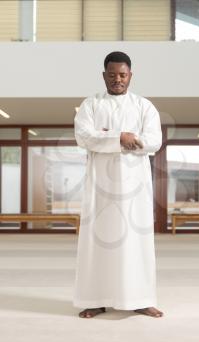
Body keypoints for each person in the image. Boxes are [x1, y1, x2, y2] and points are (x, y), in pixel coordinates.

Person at [73, 51, 163, 319]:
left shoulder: (144, 106)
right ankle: (95, 299)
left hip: (135, 188)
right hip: (100, 188)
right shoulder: (90, 105)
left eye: (122, 75)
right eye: (112, 75)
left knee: (137, 243)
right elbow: (84, 136)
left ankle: (140, 299)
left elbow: (154, 141)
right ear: (104, 75)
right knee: (97, 242)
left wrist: (110, 138)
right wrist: (122, 137)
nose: (117, 80)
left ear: (130, 75)